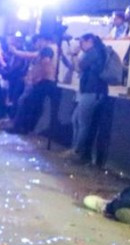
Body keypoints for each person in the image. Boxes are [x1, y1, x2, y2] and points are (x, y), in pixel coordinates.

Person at [66, 33, 109, 164]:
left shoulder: (94, 52)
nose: (81, 45)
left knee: (83, 123)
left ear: (89, 41)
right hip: (91, 91)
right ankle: (76, 149)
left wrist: (75, 54)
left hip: (93, 91)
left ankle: (77, 151)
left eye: (82, 43)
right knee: (76, 120)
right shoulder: (96, 51)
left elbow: (79, 66)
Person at [7, 36, 58, 134]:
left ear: (43, 40)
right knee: (28, 103)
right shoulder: (51, 49)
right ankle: (23, 128)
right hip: (43, 82)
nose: (37, 44)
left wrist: (38, 77)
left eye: (38, 41)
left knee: (26, 102)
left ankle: (20, 127)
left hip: (43, 82)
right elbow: (29, 55)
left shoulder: (48, 49)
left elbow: (45, 63)